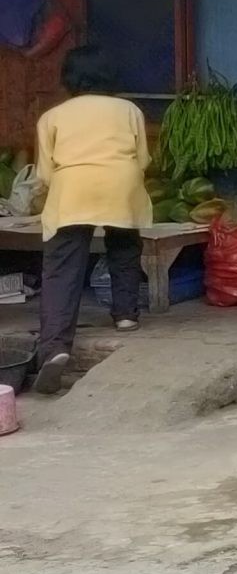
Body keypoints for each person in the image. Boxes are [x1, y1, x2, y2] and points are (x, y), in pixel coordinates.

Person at [31, 44, 151, 395]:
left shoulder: (52, 116)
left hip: (72, 188)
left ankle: (55, 347)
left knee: (62, 267)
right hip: (121, 183)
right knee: (124, 245)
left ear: (68, 78)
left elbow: (45, 173)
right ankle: (126, 314)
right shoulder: (129, 110)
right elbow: (143, 158)